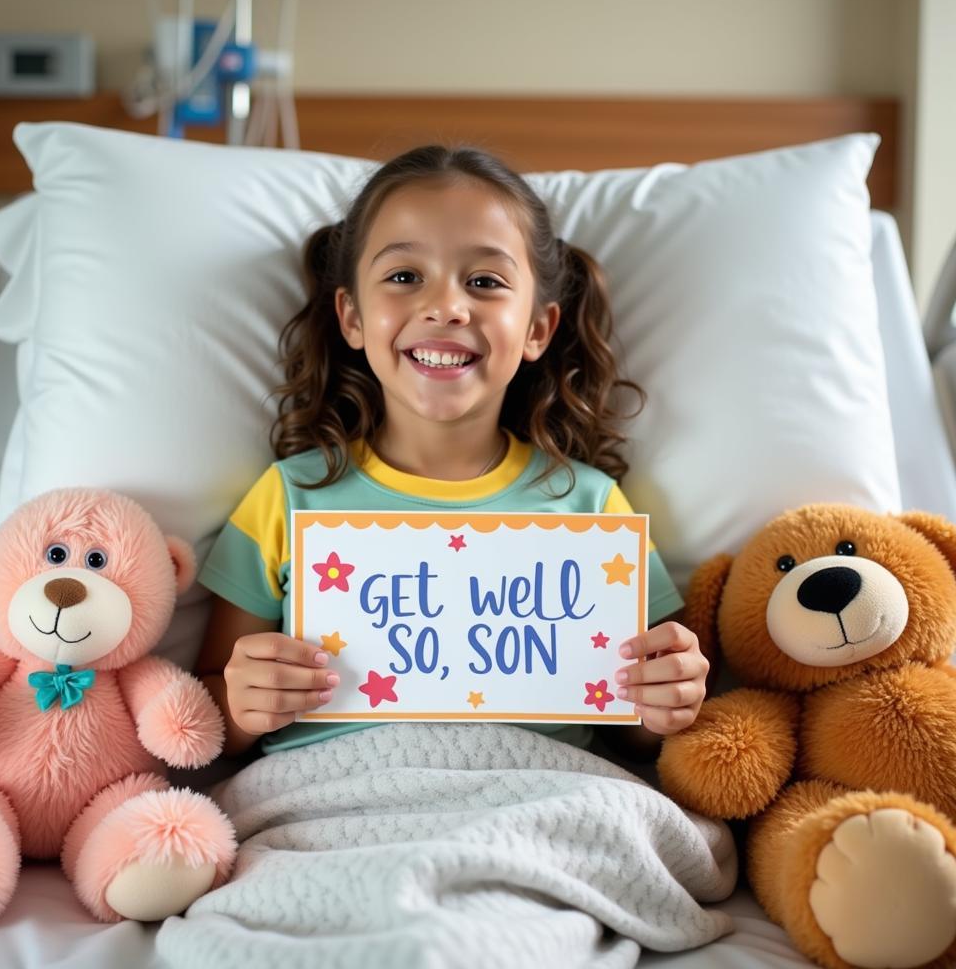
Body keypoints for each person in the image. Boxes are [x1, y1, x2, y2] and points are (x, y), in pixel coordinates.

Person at [193, 144, 709, 761]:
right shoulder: (288, 498)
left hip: (543, 793)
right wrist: (244, 703)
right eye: (404, 277)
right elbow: (208, 720)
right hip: (334, 794)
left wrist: (665, 700)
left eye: (485, 282)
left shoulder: (590, 504)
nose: (446, 307)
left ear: (538, 329)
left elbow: (637, 723)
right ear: (351, 318)